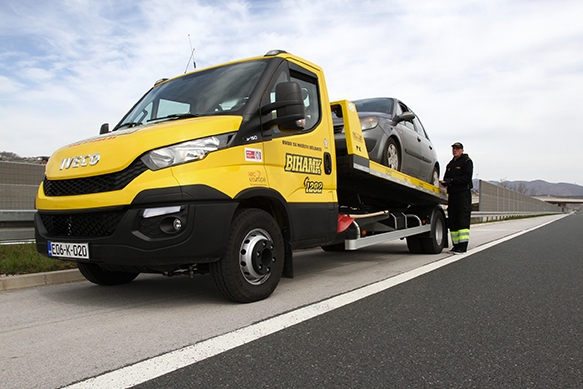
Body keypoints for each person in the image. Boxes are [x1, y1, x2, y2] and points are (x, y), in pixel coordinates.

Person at [440, 142, 473, 253]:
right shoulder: (450, 164)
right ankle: (456, 245)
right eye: (454, 148)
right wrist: (444, 183)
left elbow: (467, 177)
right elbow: (446, 178)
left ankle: (463, 246)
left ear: (462, 150)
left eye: (457, 149)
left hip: (463, 194)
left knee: (462, 219)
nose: (455, 150)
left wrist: (452, 181)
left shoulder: (467, 162)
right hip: (452, 195)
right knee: (453, 219)